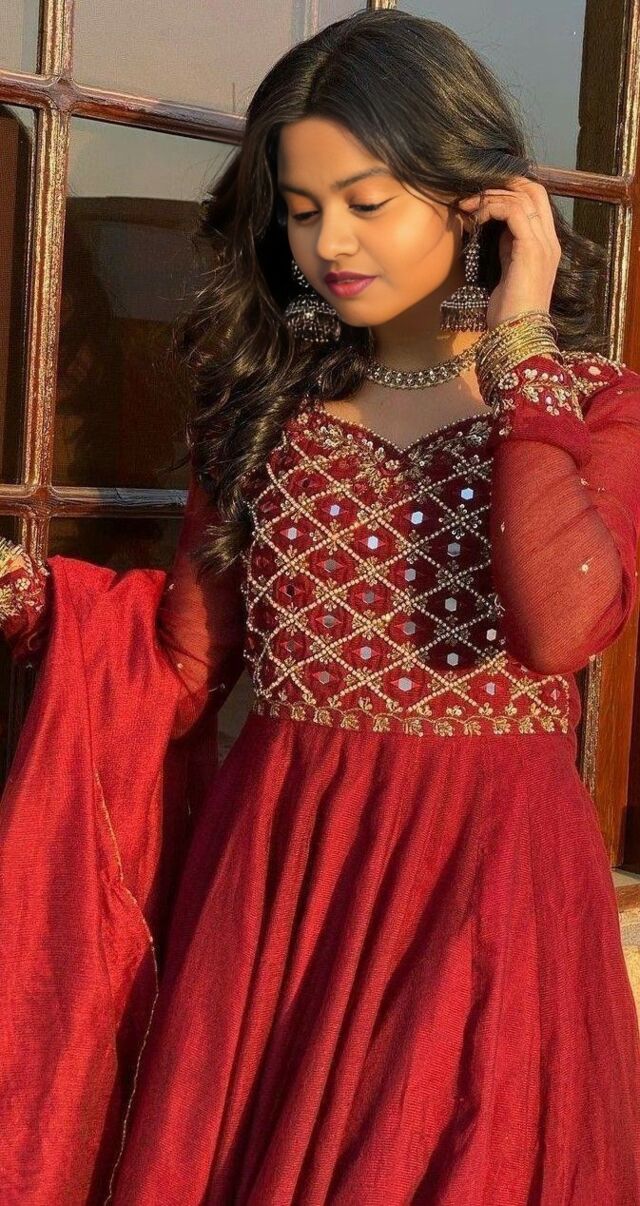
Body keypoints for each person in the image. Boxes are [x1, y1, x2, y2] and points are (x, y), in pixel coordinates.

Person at [1, 9, 640, 1203]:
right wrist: (34, 599)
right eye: (300, 210)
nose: (329, 242)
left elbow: (561, 624)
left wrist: (519, 345)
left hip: (488, 890)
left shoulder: (590, 406)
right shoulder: (263, 407)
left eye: (366, 201)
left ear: (476, 200)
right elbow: (183, 663)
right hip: (287, 887)